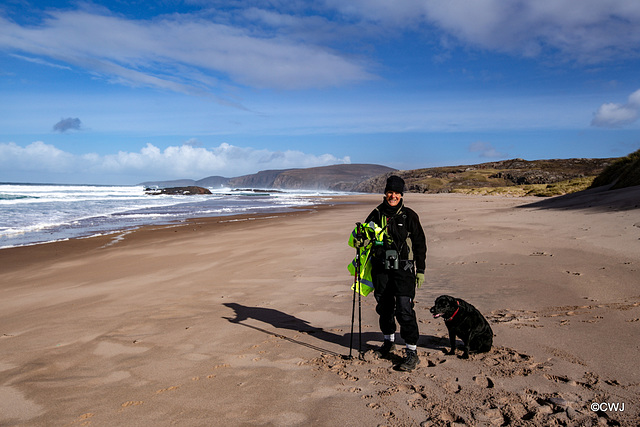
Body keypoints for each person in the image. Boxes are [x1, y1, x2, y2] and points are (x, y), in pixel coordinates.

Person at [353, 175, 427, 371]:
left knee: (404, 310)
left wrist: (420, 270)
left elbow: (420, 244)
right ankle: (388, 343)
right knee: (384, 309)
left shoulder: (409, 216)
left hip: (404, 270)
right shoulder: (376, 214)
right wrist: (360, 241)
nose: (393, 196)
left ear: (402, 195)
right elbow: (364, 238)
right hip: (380, 269)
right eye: (390, 192)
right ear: (385, 193)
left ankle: (411, 352)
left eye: (396, 193)